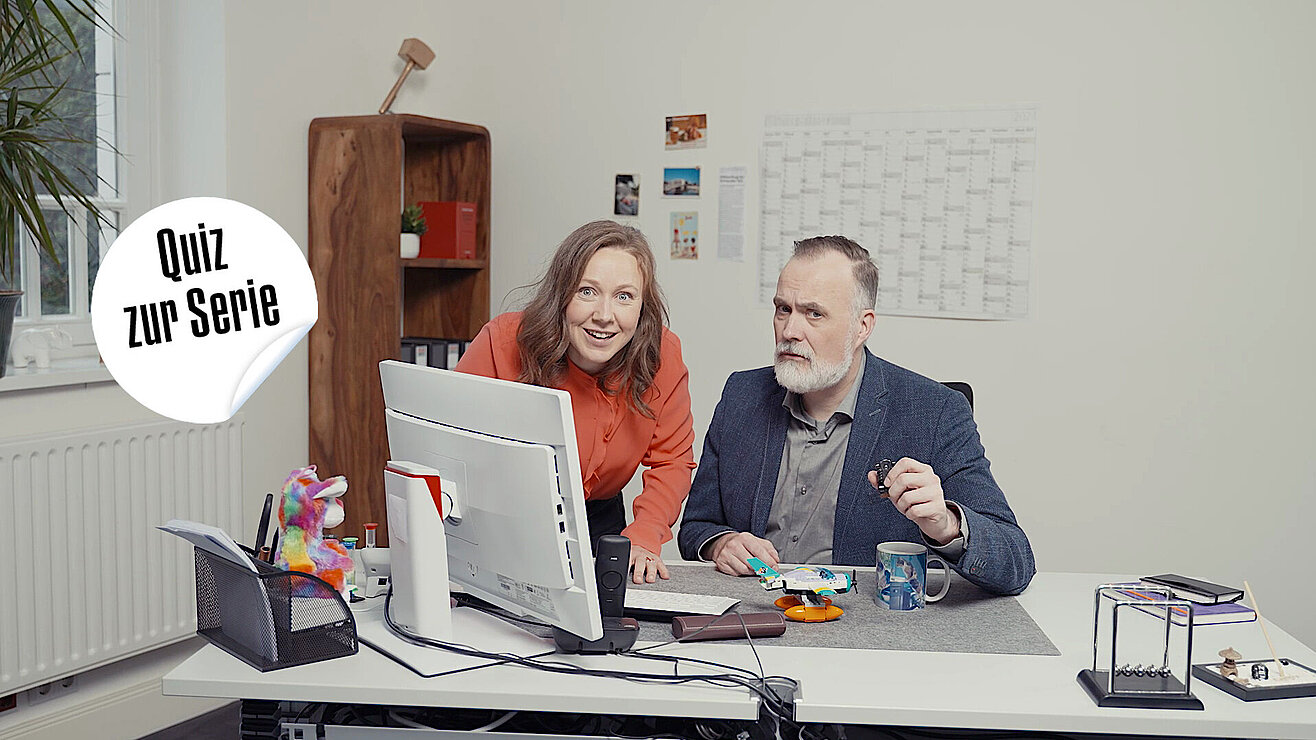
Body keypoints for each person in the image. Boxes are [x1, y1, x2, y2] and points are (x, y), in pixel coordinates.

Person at [677, 236, 1034, 595]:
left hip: (867, 626)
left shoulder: (935, 411)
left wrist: (946, 525)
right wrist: (720, 543)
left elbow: (1016, 561)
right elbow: (696, 526)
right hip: (755, 617)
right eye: (783, 309)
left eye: (813, 314)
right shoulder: (742, 396)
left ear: (862, 326)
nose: (789, 331)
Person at [457, 220, 696, 584]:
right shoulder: (503, 342)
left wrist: (645, 534)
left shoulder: (663, 355)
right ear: (561, 295)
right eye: (587, 291)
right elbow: (448, 445)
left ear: (643, 307)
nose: (604, 315)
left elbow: (671, 460)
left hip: (599, 519)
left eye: (624, 296)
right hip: (504, 516)